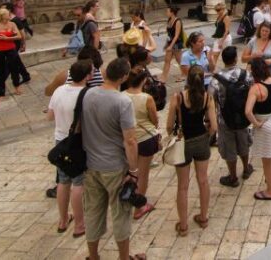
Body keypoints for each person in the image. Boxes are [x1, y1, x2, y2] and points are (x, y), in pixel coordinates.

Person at [80, 57, 140, 260]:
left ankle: (93, 255)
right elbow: (130, 140)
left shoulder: (87, 94)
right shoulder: (122, 101)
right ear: (124, 77)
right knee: (121, 212)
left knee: (93, 211)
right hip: (114, 166)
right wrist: (133, 170)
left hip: (90, 164)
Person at [166, 65, 216, 235]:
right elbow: (214, 126)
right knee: (203, 180)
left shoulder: (178, 98)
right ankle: (203, 217)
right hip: (201, 140)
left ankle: (184, 225)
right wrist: (206, 136)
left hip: (184, 142)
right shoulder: (207, 98)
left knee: (183, 186)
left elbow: (167, 126)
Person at [47, 59, 91, 237]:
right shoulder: (87, 94)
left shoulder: (58, 91)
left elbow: (49, 116)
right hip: (78, 143)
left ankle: (63, 219)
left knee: (63, 181)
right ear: (87, 75)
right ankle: (80, 224)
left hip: (60, 140)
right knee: (78, 182)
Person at [245, 58, 271, 200]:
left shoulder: (256, 89)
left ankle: (270, 191)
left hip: (266, 125)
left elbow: (248, 111)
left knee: (267, 160)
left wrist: (256, 124)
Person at [212, 46, 254, 188]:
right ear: (236, 59)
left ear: (223, 60)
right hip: (243, 117)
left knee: (229, 147)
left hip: (225, 120)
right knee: (243, 142)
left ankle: (233, 176)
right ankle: (246, 168)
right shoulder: (246, 75)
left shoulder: (216, 80)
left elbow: (212, 101)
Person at [123, 69, 158, 220]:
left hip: (127, 138)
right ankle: (139, 206)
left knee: (131, 172)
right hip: (145, 138)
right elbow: (154, 120)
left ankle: (128, 198)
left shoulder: (121, 96)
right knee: (143, 175)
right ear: (143, 81)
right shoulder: (147, 98)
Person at [0, 7, 28, 100]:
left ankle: (17, 86)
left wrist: (7, 38)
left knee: (14, 68)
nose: (9, 15)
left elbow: (19, 36)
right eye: (7, 14)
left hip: (11, 49)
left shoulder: (12, 24)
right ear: (3, 16)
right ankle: (1, 93)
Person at [162, 5, 183, 82]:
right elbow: (169, 35)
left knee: (179, 60)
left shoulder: (178, 21)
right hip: (170, 43)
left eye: (167, 11)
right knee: (167, 60)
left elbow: (176, 35)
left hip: (177, 44)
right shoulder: (169, 20)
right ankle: (163, 77)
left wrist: (171, 46)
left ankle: (185, 74)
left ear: (172, 12)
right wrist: (166, 44)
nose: (166, 13)